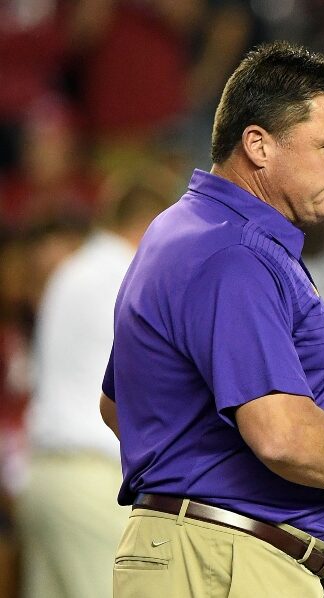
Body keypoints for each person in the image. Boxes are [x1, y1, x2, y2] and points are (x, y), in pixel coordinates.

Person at [98, 41, 324, 598]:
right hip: (225, 559)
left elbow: (119, 408)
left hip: (192, 551)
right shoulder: (236, 254)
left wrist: (200, 472)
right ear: (258, 145)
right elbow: (281, 436)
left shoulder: (183, 229)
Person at [15, 176, 173, 598]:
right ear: (151, 223)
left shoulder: (73, 269)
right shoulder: (128, 271)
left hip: (45, 478)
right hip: (91, 483)